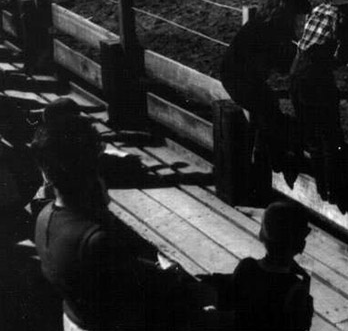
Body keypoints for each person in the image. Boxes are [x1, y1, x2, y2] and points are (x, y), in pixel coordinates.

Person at [31, 110, 212, 331]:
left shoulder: (44, 218)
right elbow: (143, 295)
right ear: (93, 168)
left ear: (47, 174)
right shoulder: (96, 240)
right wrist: (170, 274)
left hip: (76, 317)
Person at [289, 0, 348, 215]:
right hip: (316, 76)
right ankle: (333, 191)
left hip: (296, 71)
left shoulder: (318, 9)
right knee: (330, 133)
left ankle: (320, 188)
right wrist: (328, 65)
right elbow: (343, 56)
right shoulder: (347, 18)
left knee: (311, 132)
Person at [220, 0, 311, 189]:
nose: (298, 20)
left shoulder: (262, 23)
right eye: (296, 15)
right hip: (241, 80)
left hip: (237, 77)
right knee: (270, 114)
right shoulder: (271, 30)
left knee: (267, 112)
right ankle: (275, 162)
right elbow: (282, 65)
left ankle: (267, 159)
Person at [204, 200, 313, 331]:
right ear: (300, 246)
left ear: (262, 236)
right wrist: (305, 285)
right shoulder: (294, 288)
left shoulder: (246, 267)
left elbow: (228, 300)